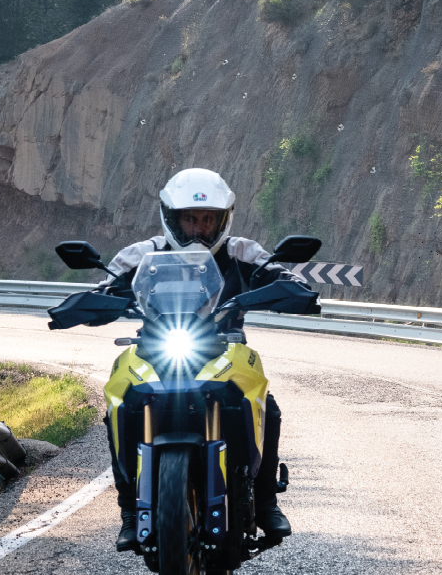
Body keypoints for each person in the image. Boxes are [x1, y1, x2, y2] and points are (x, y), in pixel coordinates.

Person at [100, 168, 304, 551]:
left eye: (208, 220)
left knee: (268, 407)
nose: (198, 229)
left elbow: (279, 275)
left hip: (224, 352)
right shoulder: (142, 254)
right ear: (172, 218)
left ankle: (265, 502)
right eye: (189, 219)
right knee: (119, 403)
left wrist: (293, 289)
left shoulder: (242, 252)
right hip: (156, 351)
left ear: (222, 220)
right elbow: (106, 283)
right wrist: (90, 301)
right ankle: (129, 510)